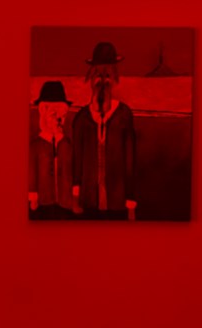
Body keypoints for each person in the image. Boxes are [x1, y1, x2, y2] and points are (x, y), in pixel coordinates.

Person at [72, 42, 137, 220]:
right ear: (91, 79)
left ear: (114, 78)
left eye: (107, 75)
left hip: (117, 201)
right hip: (87, 202)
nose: (102, 81)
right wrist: (75, 199)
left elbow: (130, 161)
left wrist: (131, 204)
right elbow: (76, 160)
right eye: (98, 76)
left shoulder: (124, 115)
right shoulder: (81, 118)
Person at [29, 81, 75, 219]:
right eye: (54, 115)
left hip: (66, 203)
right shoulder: (36, 146)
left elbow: (73, 171)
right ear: (44, 113)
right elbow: (32, 173)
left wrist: (75, 196)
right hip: (43, 202)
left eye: (61, 115)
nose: (58, 120)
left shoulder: (67, 144)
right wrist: (33, 197)